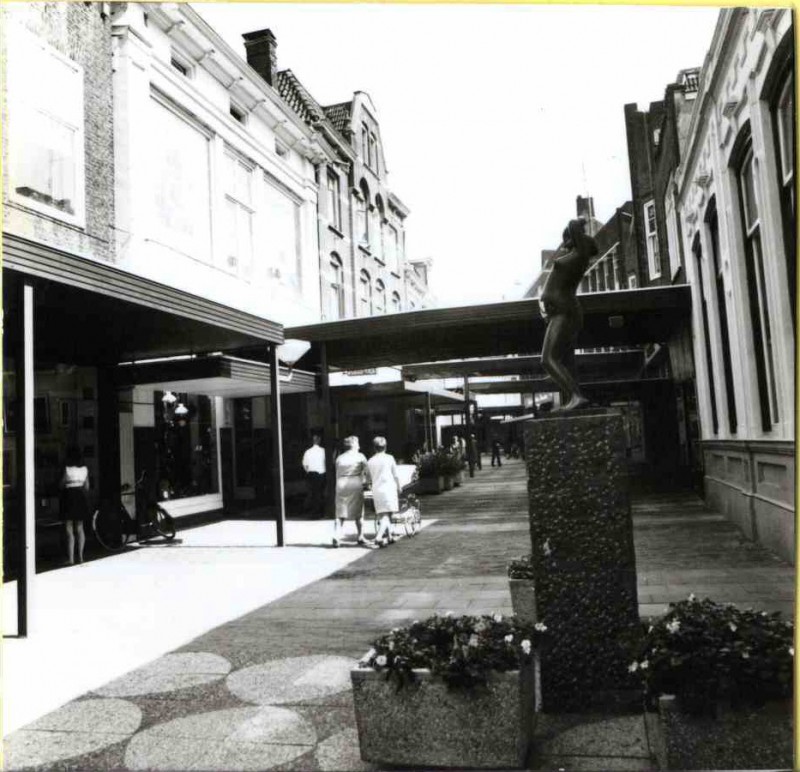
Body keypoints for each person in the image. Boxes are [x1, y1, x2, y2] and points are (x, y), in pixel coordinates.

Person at [539, 217, 598, 410]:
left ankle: (575, 396)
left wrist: (579, 221)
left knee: (547, 359)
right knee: (565, 360)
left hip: (565, 312)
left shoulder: (580, 254)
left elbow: (573, 226)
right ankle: (572, 398)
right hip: (563, 311)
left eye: (568, 240)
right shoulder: (575, 255)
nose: (565, 244)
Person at [333, 436, 370, 547]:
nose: (359, 445)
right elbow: (367, 472)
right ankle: (360, 536)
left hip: (341, 483)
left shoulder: (339, 458)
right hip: (355, 482)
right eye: (357, 443)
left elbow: (337, 471)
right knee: (359, 512)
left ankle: (336, 535)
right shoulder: (360, 456)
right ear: (353, 444)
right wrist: (367, 483)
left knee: (340, 511)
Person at [367, 436, 402, 548]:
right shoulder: (390, 458)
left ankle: (390, 536)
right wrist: (399, 486)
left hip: (377, 489)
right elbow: (395, 475)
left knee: (383, 514)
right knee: (388, 514)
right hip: (389, 488)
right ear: (385, 447)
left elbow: (368, 478)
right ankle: (379, 537)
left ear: (374, 448)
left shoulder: (370, 461)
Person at [59, 445, 90, 565]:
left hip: (68, 497)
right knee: (80, 528)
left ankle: (71, 558)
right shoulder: (84, 469)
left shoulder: (67, 469)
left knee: (69, 529)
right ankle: (81, 557)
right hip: (80, 496)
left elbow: (61, 484)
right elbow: (87, 486)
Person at [301, 434, 326, 517]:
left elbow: (304, 464)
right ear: (319, 440)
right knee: (320, 493)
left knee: (313, 493)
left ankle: (314, 511)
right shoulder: (324, 451)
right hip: (322, 474)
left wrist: (308, 472)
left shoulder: (308, 451)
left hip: (311, 474)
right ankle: (321, 511)